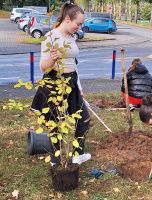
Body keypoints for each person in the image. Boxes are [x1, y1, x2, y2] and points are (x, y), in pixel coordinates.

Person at [31, 3, 91, 166]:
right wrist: (52, 58)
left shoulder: (72, 37)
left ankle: (77, 154)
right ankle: (56, 159)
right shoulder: (51, 37)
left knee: (83, 119)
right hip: (55, 83)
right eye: (77, 23)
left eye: (81, 24)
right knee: (55, 122)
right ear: (67, 19)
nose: (79, 27)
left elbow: (73, 63)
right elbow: (43, 67)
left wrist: (79, 86)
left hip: (71, 81)